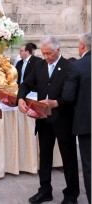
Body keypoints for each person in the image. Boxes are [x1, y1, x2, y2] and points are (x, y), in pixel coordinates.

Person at [17, 35, 79, 204]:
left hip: (63, 121)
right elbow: (25, 84)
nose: (46, 57)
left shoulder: (69, 67)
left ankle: (71, 195)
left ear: (58, 50)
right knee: (44, 157)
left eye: (49, 53)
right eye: (43, 53)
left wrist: (55, 103)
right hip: (43, 120)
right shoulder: (39, 65)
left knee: (69, 159)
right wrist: (20, 98)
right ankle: (45, 190)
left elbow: (70, 96)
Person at [62, 32, 91, 204]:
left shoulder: (77, 66)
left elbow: (67, 97)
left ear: (82, 46)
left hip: (87, 123)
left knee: (89, 166)